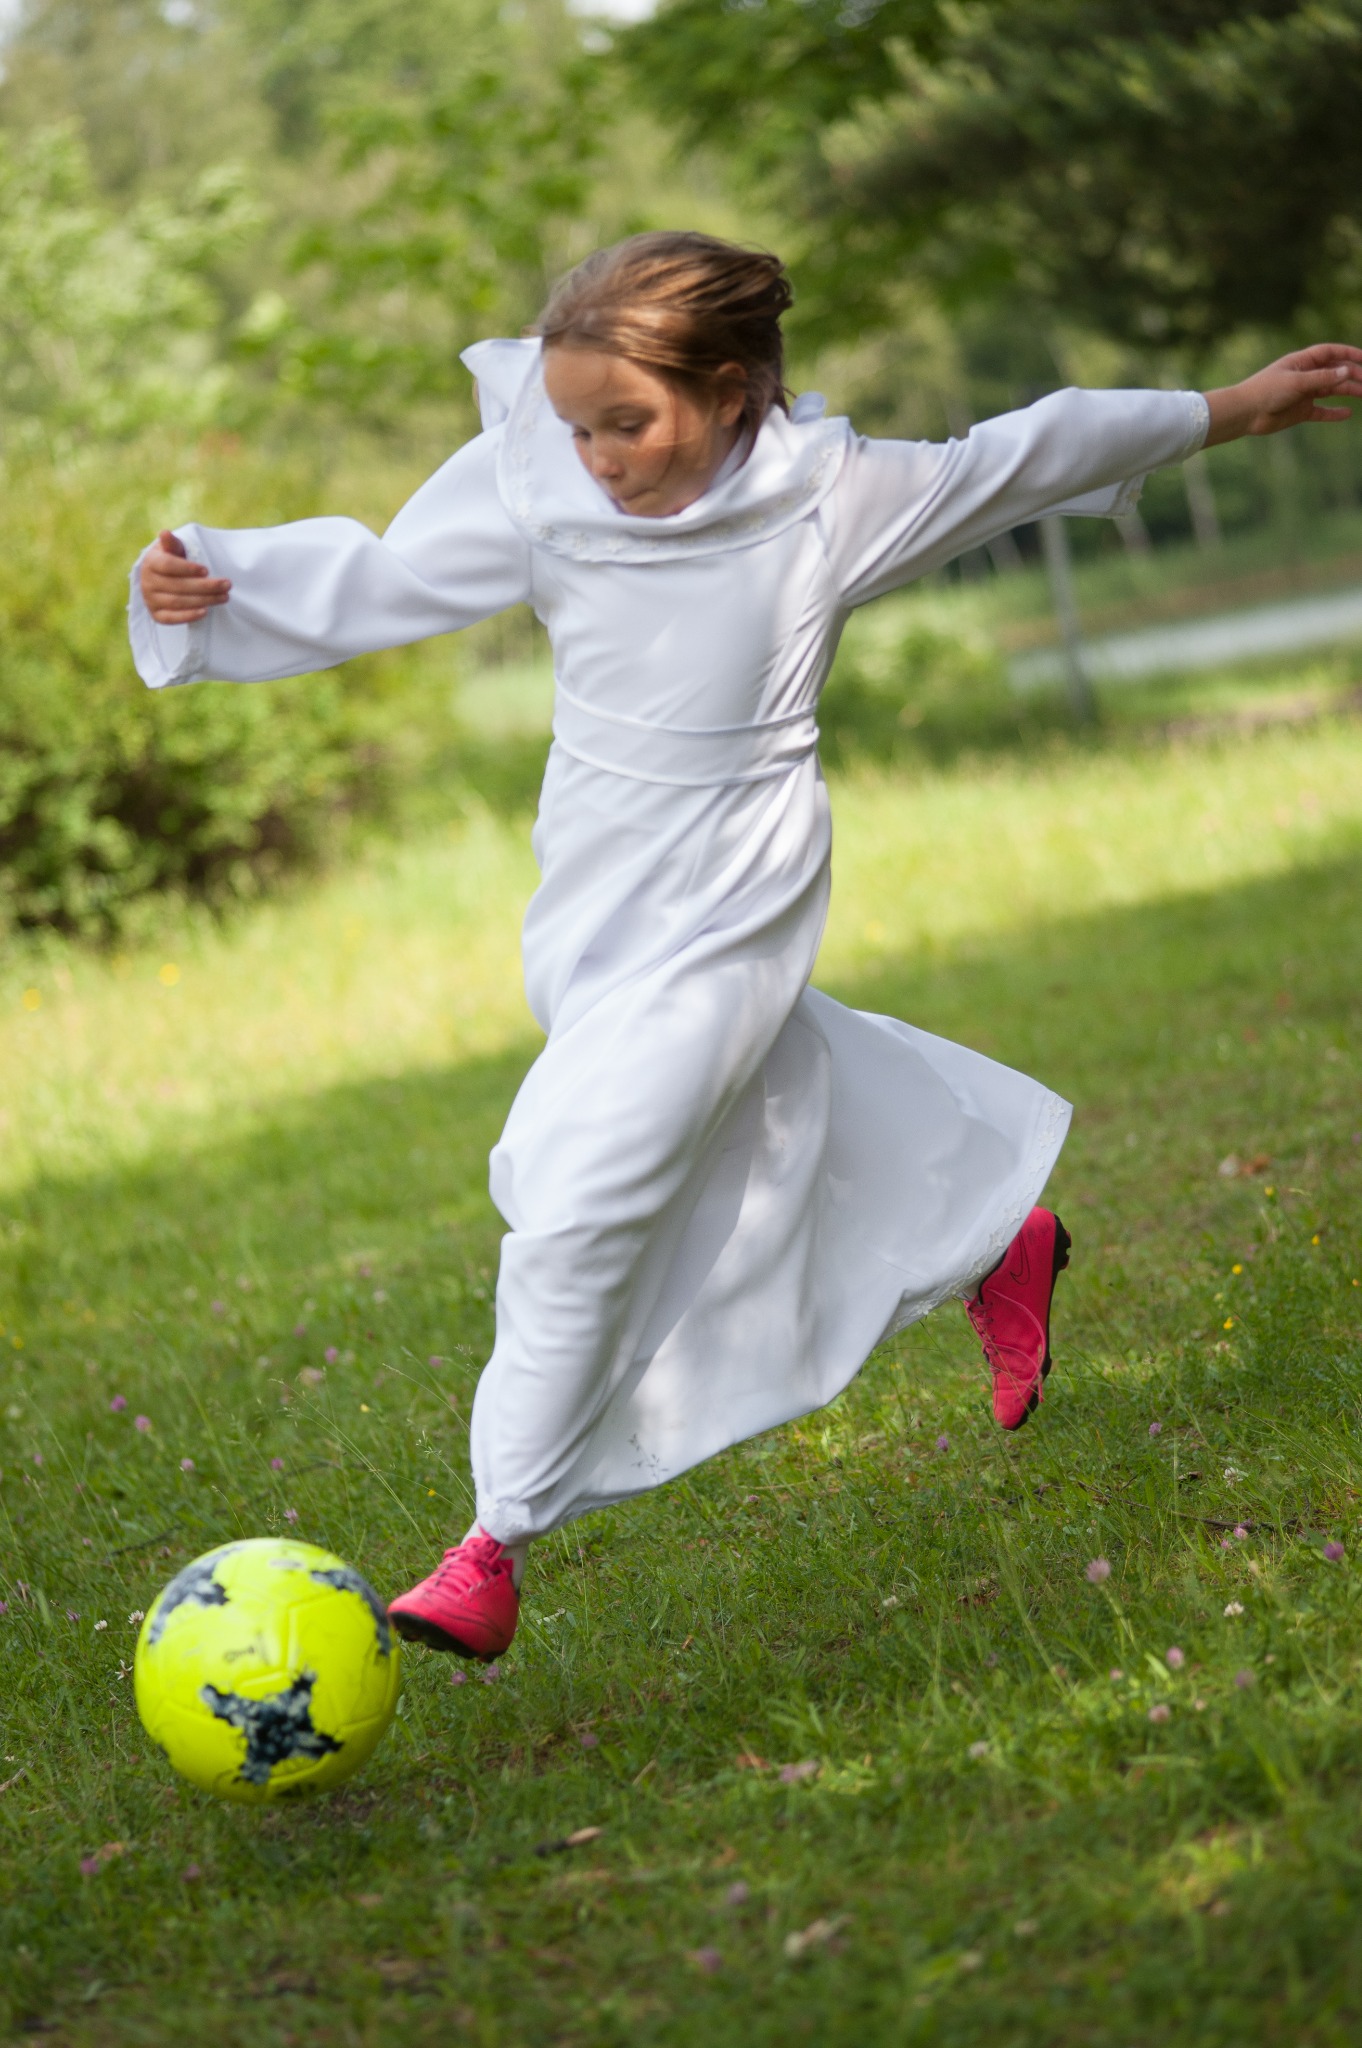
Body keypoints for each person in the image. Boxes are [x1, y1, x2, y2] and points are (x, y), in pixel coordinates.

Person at [130, 232, 1361, 1664]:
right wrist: (216, 583)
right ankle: (992, 1241)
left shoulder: (823, 503)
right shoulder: (542, 481)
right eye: (577, 421)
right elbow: (391, 576)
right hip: (591, 891)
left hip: (737, 890)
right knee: (762, 1099)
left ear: (727, 394)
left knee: (585, 1189)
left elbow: (1023, 453)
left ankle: (492, 1537)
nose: (594, 454)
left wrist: (1225, 407)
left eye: (626, 424)